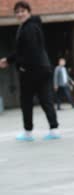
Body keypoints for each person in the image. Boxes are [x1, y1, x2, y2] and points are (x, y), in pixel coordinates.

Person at [0, 1, 60, 141]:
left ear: (29, 12)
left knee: (26, 102)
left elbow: (29, 50)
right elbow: (23, 50)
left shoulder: (29, 28)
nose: (20, 14)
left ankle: (28, 132)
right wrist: (8, 60)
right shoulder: (32, 26)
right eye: (17, 12)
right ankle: (54, 129)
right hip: (42, 68)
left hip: (32, 70)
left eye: (23, 11)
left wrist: (22, 66)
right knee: (46, 100)